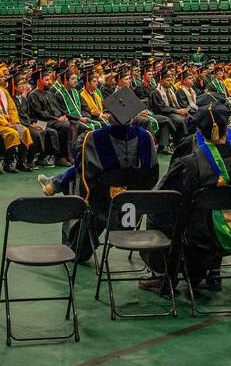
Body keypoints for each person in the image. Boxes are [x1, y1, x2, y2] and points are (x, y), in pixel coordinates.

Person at [141, 93, 231, 294]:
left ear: (198, 129)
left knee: (158, 215)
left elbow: (167, 196)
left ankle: (163, 276)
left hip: (197, 234)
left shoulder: (191, 160)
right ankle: (214, 271)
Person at [37, 87, 158, 262]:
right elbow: (151, 174)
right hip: (131, 203)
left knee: (77, 178)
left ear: (109, 116)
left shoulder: (93, 138)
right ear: (133, 117)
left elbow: (85, 172)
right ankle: (55, 183)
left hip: (100, 203)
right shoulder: (145, 137)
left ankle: (77, 244)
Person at [0, 64, 35, 173]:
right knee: (12, 133)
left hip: (8, 123)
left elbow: (12, 108)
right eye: (1, 77)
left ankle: (20, 162)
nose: (4, 78)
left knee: (25, 130)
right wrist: (7, 124)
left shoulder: (3, 91)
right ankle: (8, 164)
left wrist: (15, 122)